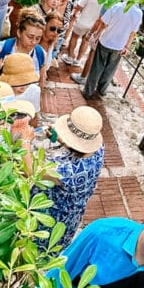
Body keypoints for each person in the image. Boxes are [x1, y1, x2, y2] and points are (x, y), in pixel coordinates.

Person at [32, 105, 105, 251]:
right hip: (73, 212)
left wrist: (25, 140)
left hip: (54, 213)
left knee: (41, 249)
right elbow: (78, 146)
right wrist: (62, 139)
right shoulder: (98, 148)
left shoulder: (68, 171)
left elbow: (31, 171)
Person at [82, 0, 142, 101]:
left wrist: (96, 36)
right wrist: (127, 46)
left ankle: (88, 92)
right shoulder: (138, 13)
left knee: (97, 67)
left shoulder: (116, 7)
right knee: (110, 70)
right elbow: (133, 33)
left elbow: (104, 24)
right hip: (119, 45)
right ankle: (102, 90)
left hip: (106, 41)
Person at [0, 7, 46, 86]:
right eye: (30, 37)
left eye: (38, 38)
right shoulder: (0, 48)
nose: (34, 42)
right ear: (19, 33)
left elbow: (41, 83)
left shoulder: (40, 54)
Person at [60, 0, 103, 68]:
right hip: (93, 24)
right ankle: (78, 60)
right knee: (85, 41)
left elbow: (79, 6)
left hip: (82, 21)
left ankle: (69, 57)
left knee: (74, 37)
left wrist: (75, 13)